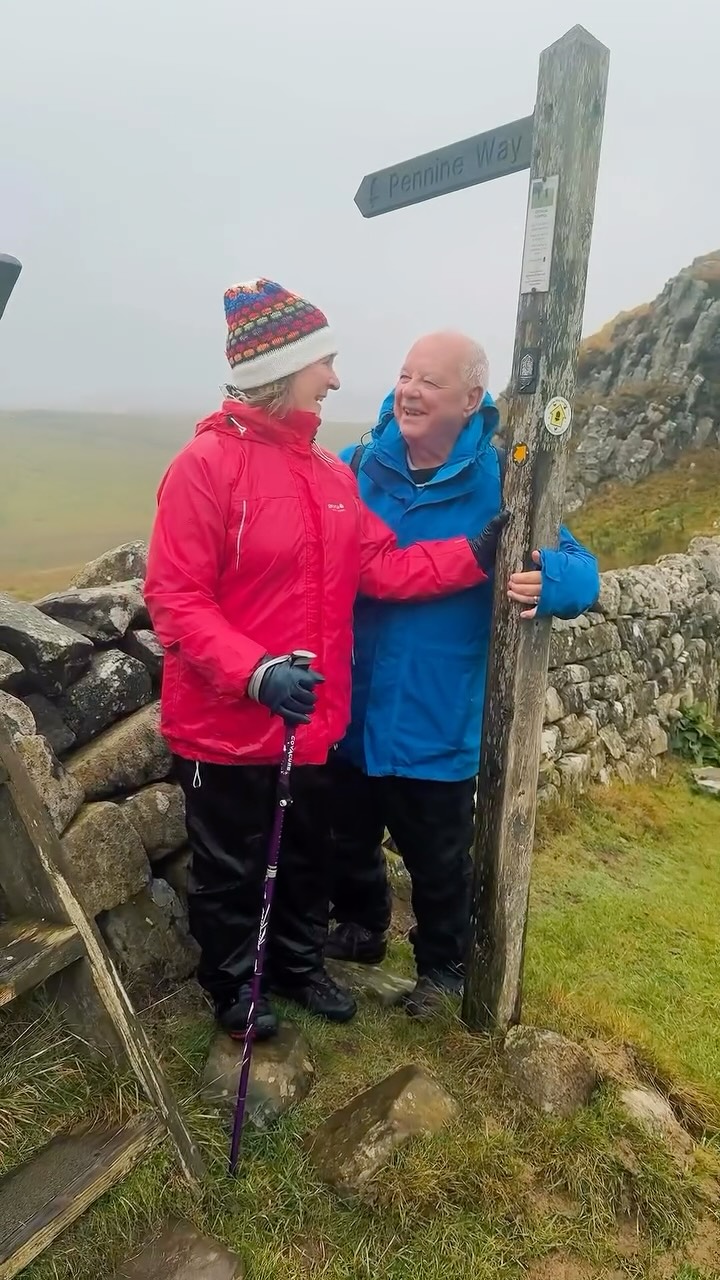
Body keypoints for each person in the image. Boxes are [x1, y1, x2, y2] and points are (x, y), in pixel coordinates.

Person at [144, 284, 509, 1042]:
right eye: (327, 363)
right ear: (285, 368)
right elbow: (176, 600)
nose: (340, 379)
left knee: (310, 856)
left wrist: (474, 556)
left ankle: (301, 967)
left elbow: (382, 566)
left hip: (309, 725)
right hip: (226, 720)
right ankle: (237, 987)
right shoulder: (205, 467)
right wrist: (256, 672)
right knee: (231, 868)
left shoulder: (331, 476)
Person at [325, 331, 600, 1016]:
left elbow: (579, 569)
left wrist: (556, 581)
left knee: (440, 862)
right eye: (404, 375)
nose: (410, 391)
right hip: (350, 707)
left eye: (430, 382)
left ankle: (441, 969)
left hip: (436, 716)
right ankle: (362, 929)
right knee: (344, 833)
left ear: (472, 399)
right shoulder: (356, 464)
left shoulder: (504, 482)